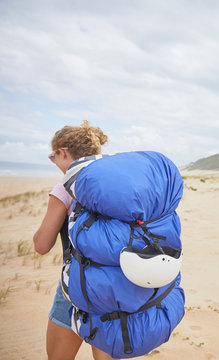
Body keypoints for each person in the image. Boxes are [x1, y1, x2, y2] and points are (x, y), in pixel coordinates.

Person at [33, 121, 115, 360]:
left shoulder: (64, 189)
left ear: (64, 152)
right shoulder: (114, 186)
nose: (54, 161)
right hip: (115, 285)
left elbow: (41, 246)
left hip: (77, 284)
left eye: (53, 156)